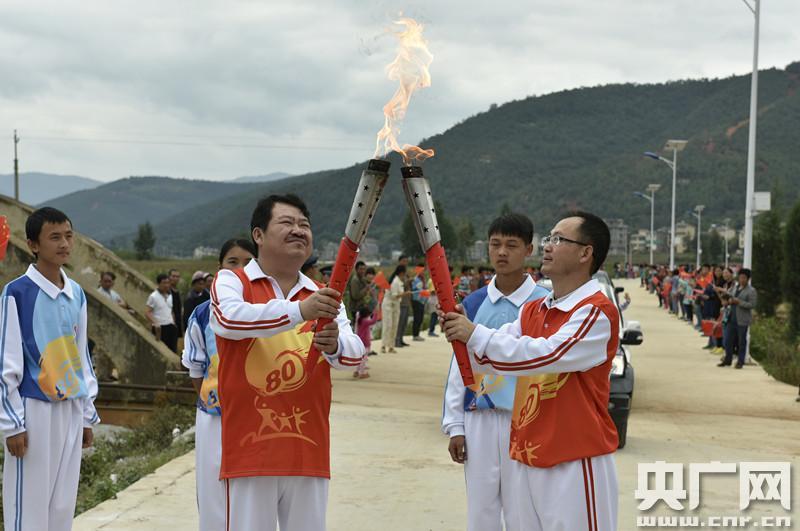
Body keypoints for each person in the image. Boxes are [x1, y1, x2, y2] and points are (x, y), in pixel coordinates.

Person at [441, 211, 620, 531]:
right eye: (549, 238)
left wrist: (474, 335)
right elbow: (487, 359)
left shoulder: (595, 311)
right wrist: (461, 334)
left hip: (575, 456)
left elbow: (543, 356)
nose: (549, 246)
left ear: (585, 253)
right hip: (526, 452)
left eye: (559, 239)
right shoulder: (534, 310)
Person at [209, 194, 365, 530]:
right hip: (251, 450)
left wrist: (335, 344)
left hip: (308, 447)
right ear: (259, 235)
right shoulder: (231, 281)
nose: (298, 231)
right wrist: (299, 312)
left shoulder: (324, 293)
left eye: (304, 225)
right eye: (287, 223)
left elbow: (355, 354)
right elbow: (230, 320)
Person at [442, 213, 550, 531]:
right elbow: (457, 366)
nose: (502, 252)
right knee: (481, 510)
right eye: (495, 244)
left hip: (526, 417)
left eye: (511, 245)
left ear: (529, 249)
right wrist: (455, 426)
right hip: (479, 418)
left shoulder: (545, 304)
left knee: (523, 511)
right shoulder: (473, 303)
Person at [0, 207, 100, 531]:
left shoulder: (76, 295)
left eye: (68, 236)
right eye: (54, 237)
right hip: (34, 411)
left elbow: (81, 359)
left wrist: (86, 416)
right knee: (28, 507)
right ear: (33, 244)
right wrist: (12, 425)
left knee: (61, 505)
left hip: (70, 407)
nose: (64, 243)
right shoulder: (17, 293)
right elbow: (7, 364)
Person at [182, 238, 256, 531]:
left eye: (249, 263)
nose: (240, 269)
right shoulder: (202, 315)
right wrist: (211, 398)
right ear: (219, 269)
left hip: (254, 415)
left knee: (250, 491)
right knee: (213, 487)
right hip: (213, 415)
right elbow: (195, 368)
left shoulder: (269, 312)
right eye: (233, 262)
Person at [718, 268, 757, 369]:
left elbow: (752, 305)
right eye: (740, 278)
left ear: (748, 279)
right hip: (731, 317)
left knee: (741, 342)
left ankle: (740, 361)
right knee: (728, 340)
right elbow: (730, 295)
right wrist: (727, 300)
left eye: (744, 278)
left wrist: (739, 302)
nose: (741, 280)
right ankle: (728, 360)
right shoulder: (735, 287)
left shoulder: (751, 291)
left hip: (742, 320)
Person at [146, 273, 179, 352]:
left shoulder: (170, 296)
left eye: (168, 283)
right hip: (160, 328)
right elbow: (147, 312)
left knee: (173, 350)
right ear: (158, 284)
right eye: (164, 283)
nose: (166, 285)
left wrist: (174, 323)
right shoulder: (153, 296)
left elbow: (170, 310)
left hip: (171, 327)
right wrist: (155, 323)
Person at [381, 265, 407, 354]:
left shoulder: (400, 281)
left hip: (396, 305)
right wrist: (405, 294)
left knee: (394, 325)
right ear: (401, 273)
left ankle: (391, 346)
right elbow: (394, 295)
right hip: (388, 304)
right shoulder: (395, 281)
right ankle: (383, 346)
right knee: (388, 325)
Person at [354, 306, 377, 378]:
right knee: (364, 358)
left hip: (359, 342)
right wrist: (375, 313)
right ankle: (362, 373)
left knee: (359, 358)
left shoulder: (359, 320)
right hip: (365, 342)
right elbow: (373, 321)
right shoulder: (365, 321)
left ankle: (357, 371)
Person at [394, 256, 412, 348]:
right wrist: (407, 282)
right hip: (400, 302)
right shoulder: (397, 274)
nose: (405, 263)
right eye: (403, 261)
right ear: (399, 261)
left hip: (406, 301)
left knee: (404, 322)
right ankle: (396, 340)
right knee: (399, 322)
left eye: (406, 261)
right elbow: (398, 287)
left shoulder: (406, 274)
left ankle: (401, 339)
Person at [410, 265, 428, 341]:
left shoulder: (423, 279)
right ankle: (415, 335)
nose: (424, 272)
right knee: (417, 318)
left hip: (422, 301)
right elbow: (415, 289)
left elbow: (425, 288)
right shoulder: (415, 279)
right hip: (416, 300)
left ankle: (417, 334)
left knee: (420, 318)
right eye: (422, 271)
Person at [168, 268, 183, 336]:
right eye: (173, 276)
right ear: (169, 277)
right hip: (169, 323)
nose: (175, 278)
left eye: (177, 277)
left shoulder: (177, 291)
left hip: (178, 322)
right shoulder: (167, 291)